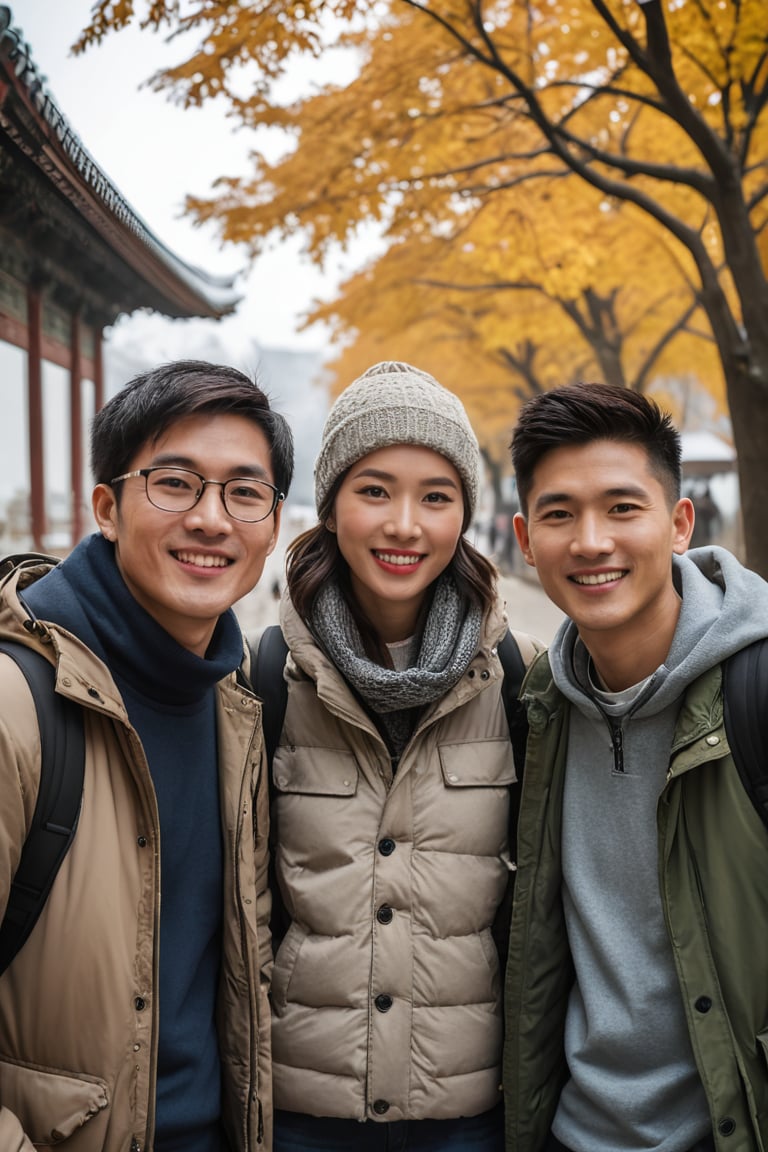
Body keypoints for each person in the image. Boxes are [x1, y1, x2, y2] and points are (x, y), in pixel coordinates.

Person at [0, 360, 293, 1152]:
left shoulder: (234, 703)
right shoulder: (16, 702)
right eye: (175, 483)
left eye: (244, 492)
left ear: (272, 523)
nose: (211, 518)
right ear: (107, 506)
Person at [260, 361, 542, 1152]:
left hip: (467, 1115)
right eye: (374, 490)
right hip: (300, 1113)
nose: (405, 524)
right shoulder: (264, 676)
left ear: (464, 514)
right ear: (332, 506)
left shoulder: (518, 677)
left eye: (436, 496)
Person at [504, 381, 768, 1152]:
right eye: (559, 514)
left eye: (623, 507)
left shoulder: (755, 690)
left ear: (679, 523)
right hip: (571, 1132)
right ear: (524, 538)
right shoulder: (540, 706)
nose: (591, 541)